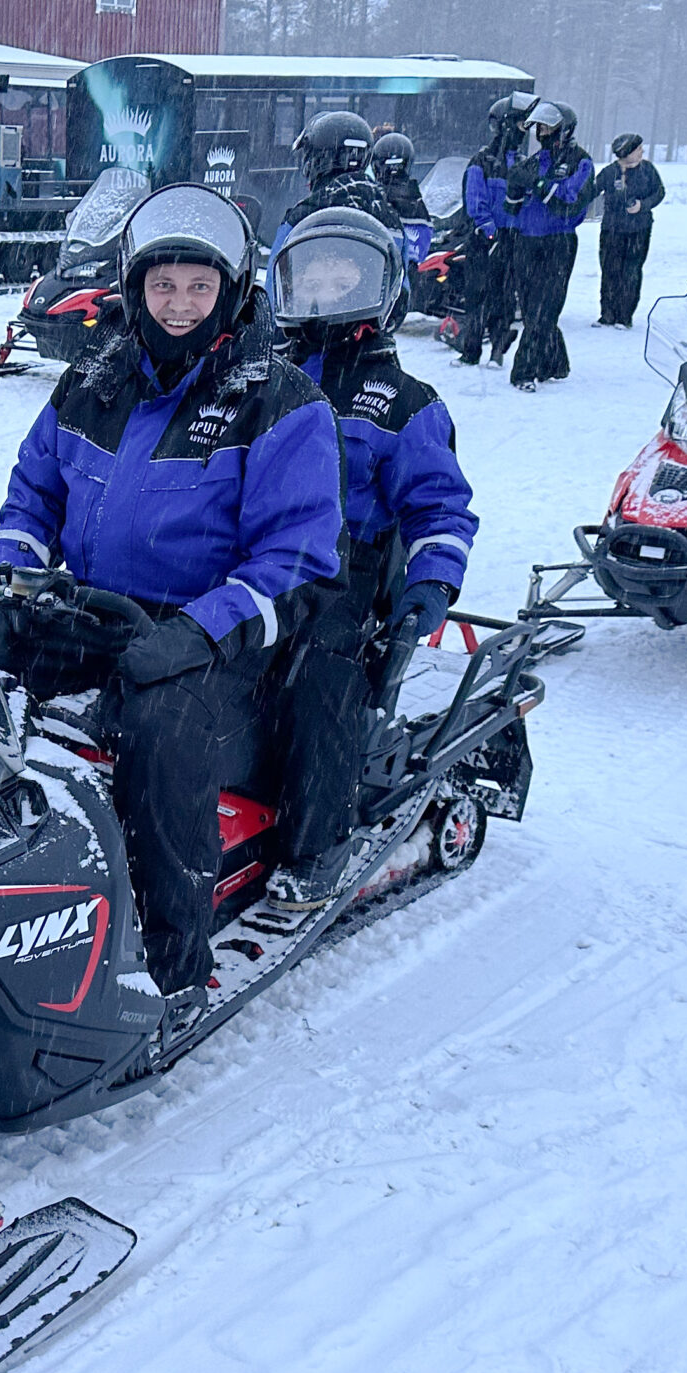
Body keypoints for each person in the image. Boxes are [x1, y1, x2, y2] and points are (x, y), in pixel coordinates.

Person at [0, 183, 342, 1010]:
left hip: (222, 643)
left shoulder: (279, 401)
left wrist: (198, 631)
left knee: (157, 727)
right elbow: (32, 492)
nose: (178, 305)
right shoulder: (93, 379)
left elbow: (297, 557)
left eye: (198, 286)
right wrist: (13, 570)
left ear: (233, 290)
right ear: (133, 286)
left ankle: (169, 956)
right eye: (162, 285)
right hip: (90, 610)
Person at [262, 209, 476, 907]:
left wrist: (432, 580)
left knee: (318, 676)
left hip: (346, 575)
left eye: (343, 276)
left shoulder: (404, 405)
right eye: (312, 276)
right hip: (256, 552)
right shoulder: (257, 379)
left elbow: (440, 507)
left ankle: (316, 842)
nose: (325, 291)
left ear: (379, 288)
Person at [500, 100, 593, 387]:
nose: (541, 132)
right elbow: (511, 208)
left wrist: (540, 186)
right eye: (538, 127)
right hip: (526, 242)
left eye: (547, 126)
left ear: (564, 130)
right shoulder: (533, 160)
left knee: (546, 308)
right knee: (530, 310)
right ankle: (556, 363)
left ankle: (523, 372)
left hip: (558, 243)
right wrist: (514, 188)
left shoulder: (581, 161)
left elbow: (571, 204)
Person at [456, 92, 533, 366]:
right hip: (484, 241)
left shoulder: (524, 162)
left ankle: (497, 351)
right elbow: (475, 200)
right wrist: (489, 230)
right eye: (522, 125)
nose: (525, 132)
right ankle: (470, 351)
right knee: (478, 296)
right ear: (507, 126)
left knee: (504, 298)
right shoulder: (483, 161)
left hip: (512, 241)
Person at [280, 111, 407, 242]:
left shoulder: (300, 218)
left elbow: (278, 260)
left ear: (316, 159)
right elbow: (402, 259)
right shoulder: (391, 219)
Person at [593, 133, 662, 326]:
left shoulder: (648, 170)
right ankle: (607, 313)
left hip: (639, 229)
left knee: (631, 272)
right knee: (609, 271)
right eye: (638, 149)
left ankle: (624, 316)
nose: (642, 152)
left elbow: (659, 192)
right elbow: (591, 191)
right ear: (627, 152)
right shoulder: (609, 172)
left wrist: (643, 205)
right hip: (612, 230)